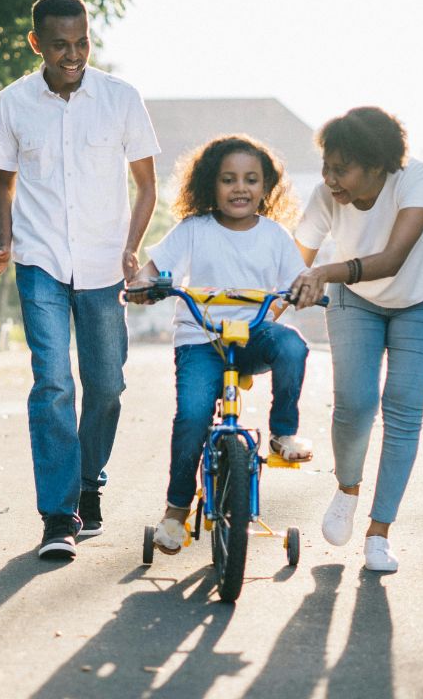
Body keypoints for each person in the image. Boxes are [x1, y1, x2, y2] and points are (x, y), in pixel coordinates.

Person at [0, 0, 160, 560]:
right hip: (40, 262)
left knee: (106, 386)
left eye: (82, 42)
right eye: (60, 45)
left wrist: (131, 248)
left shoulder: (121, 98)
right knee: (53, 383)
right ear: (36, 43)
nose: (74, 55)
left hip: (105, 264)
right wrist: (4, 244)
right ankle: (58, 515)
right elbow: (4, 187)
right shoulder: (14, 102)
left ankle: (88, 484)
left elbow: (147, 186)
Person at [128, 135, 312, 555]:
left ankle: (283, 433)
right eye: (228, 179)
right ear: (211, 184)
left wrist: (299, 294)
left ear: (266, 187)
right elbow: (153, 269)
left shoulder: (275, 235)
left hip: (252, 335)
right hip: (200, 339)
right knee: (193, 416)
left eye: (251, 180)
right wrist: (142, 284)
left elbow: (296, 282)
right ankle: (176, 511)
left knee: (293, 346)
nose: (240, 188)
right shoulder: (194, 229)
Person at [289, 106, 423, 573]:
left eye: (341, 169)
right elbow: (293, 265)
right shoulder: (326, 196)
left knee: (403, 409)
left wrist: (324, 272)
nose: (330, 179)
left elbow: (393, 258)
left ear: (377, 165)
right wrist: (264, 312)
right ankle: (347, 490)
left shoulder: (415, 180)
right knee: (355, 403)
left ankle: (379, 533)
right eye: (326, 166)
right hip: (355, 300)